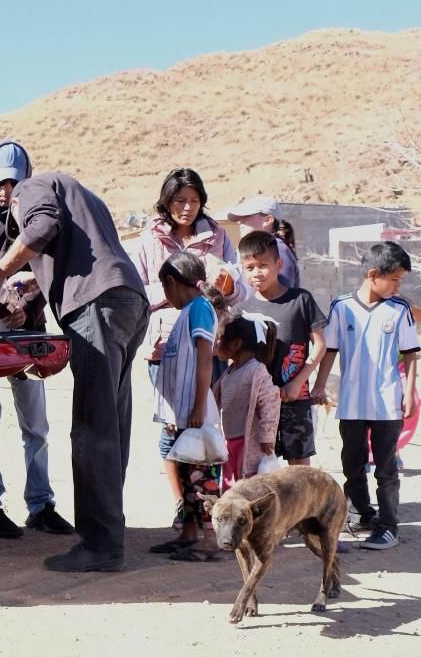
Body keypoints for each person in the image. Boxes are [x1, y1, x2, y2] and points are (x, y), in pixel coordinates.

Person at [0, 172, 150, 572]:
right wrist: (36, 283)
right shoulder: (83, 195)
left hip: (96, 306)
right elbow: (77, 247)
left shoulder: (30, 189)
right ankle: (109, 532)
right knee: (112, 424)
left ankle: (101, 546)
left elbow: (43, 225)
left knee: (92, 427)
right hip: (128, 301)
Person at [0, 140, 73, 539]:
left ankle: (40, 505)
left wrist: (25, 306)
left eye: (13, 182)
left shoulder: (35, 214)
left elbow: (48, 273)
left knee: (36, 427)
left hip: (27, 333)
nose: (6, 190)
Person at [133, 167, 243, 528]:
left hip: (210, 344)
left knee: (204, 426)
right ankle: (183, 507)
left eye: (195, 200)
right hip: (163, 347)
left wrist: (227, 286)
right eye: (180, 200)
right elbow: (135, 290)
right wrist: (174, 291)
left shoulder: (218, 237)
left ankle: (204, 516)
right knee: (171, 428)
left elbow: (238, 287)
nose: (187, 207)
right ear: (167, 201)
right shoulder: (148, 240)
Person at [311, 242, 420, 551]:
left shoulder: (399, 310)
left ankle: (388, 527)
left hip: (387, 403)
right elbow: (330, 350)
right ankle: (361, 514)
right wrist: (319, 385)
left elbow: (411, 354)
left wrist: (409, 393)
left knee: (385, 469)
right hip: (351, 402)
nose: (398, 286)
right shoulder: (341, 307)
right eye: (395, 279)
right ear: (373, 275)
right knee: (352, 464)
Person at [149, 252, 224, 562]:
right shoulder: (188, 311)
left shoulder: (200, 309)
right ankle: (190, 533)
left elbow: (204, 359)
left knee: (201, 475)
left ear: (171, 282)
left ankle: (211, 538)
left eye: (164, 288)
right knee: (185, 472)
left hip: (196, 411)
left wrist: (198, 406)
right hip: (182, 413)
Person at [238, 231, 327, 466]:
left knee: (299, 467)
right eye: (249, 267)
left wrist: (298, 382)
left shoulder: (301, 300)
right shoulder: (242, 311)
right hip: (256, 403)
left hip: (294, 398)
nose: (256, 273)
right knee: (258, 465)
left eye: (263, 265)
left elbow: (320, 344)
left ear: (279, 264)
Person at [213, 314, 281, 491]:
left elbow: (270, 402)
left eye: (220, 339)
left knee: (249, 486)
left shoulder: (256, 371)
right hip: (229, 440)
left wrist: (267, 435)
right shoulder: (230, 370)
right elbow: (215, 398)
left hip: (248, 442)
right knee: (230, 485)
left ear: (236, 344)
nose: (216, 343)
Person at [226, 195, 300, 288]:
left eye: (246, 216)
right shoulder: (261, 248)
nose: (239, 222)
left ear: (268, 220)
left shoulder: (278, 249)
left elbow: (282, 293)